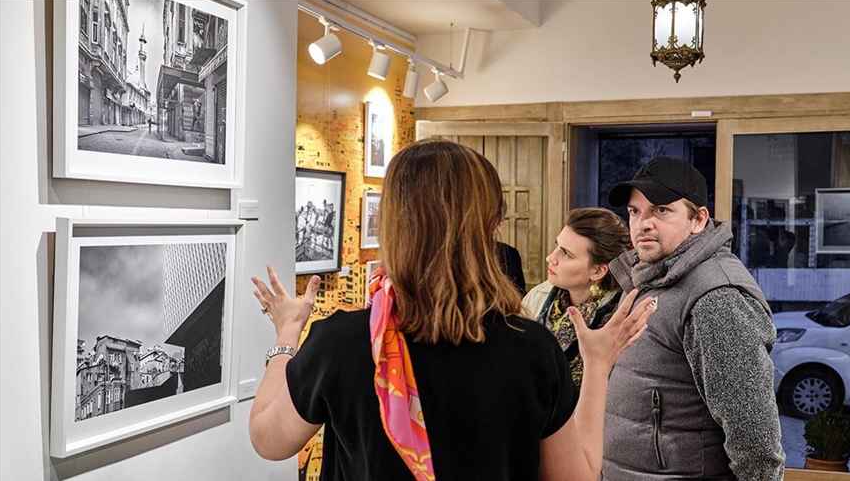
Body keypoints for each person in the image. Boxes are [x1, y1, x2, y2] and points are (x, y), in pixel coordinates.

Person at [249, 139, 655, 481]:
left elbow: (268, 440)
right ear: (491, 227)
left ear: (392, 223)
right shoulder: (531, 348)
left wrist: (286, 335)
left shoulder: (341, 342)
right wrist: (597, 366)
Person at [602, 156, 785, 480]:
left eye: (661, 210)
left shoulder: (716, 298)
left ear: (698, 219)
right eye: (634, 211)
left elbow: (757, 447)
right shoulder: (653, 278)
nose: (642, 223)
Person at [522, 208, 631, 387]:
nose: (550, 258)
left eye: (566, 253)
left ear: (597, 271)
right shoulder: (538, 297)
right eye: (556, 246)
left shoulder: (619, 320)